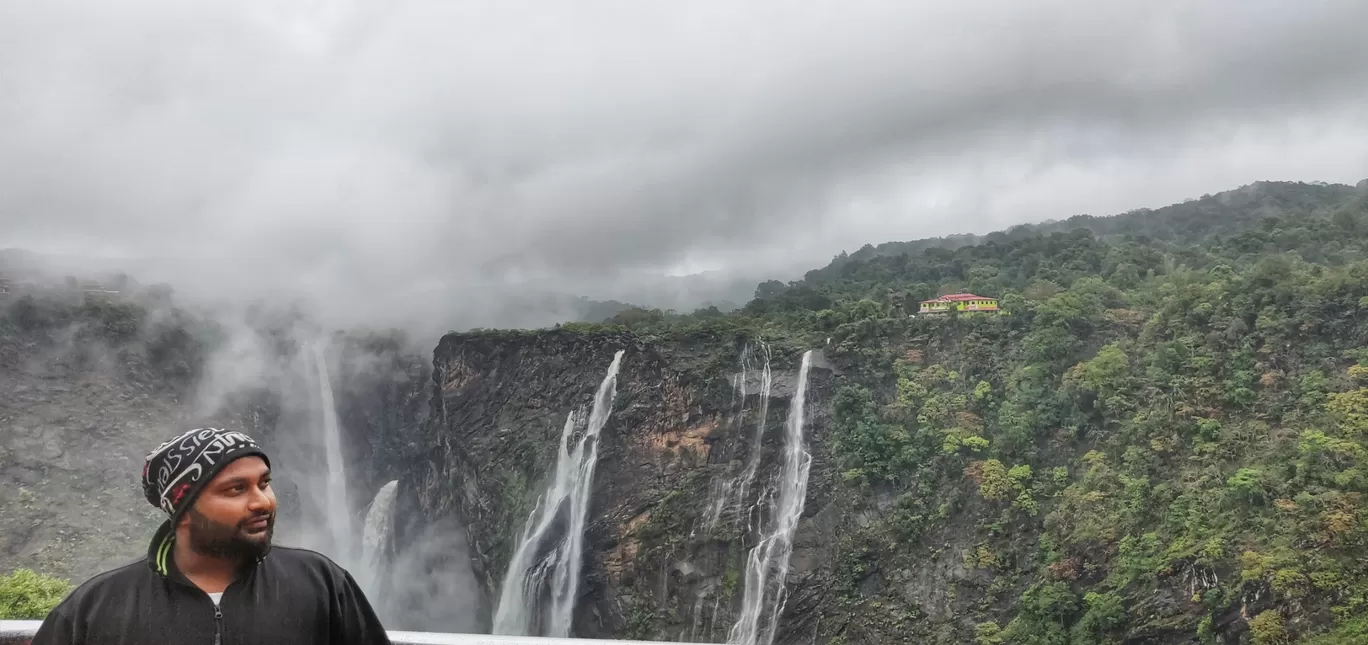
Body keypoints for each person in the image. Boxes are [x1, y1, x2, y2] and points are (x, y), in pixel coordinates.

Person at [31, 427, 393, 645]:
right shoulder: (96, 607)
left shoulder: (321, 583)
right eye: (236, 489)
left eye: (264, 483)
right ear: (183, 511)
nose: (262, 501)